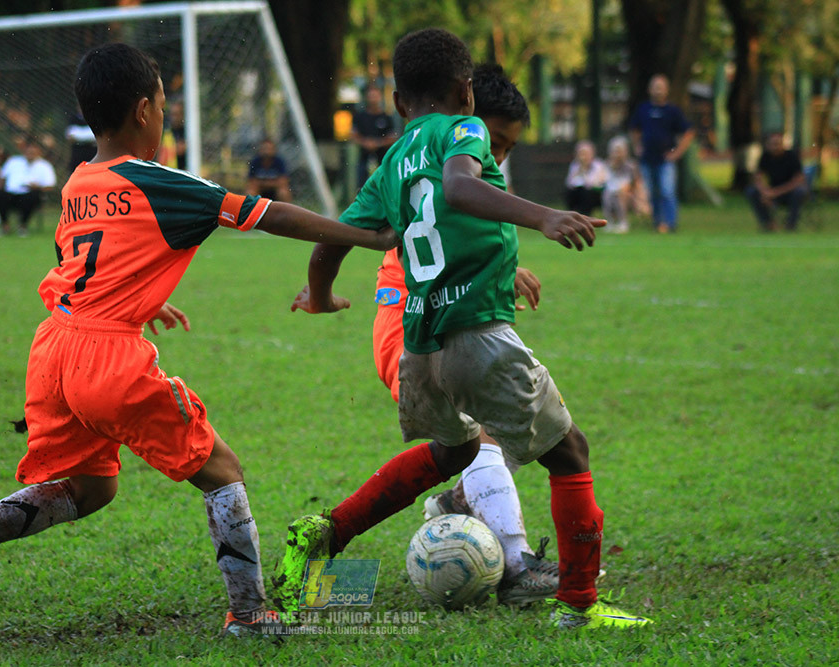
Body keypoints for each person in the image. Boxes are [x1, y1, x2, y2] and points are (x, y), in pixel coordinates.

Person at [0, 42, 396, 639]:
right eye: (163, 105)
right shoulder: (161, 183)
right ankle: (250, 616)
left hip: (55, 348)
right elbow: (268, 214)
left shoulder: (79, 180)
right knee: (222, 470)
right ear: (144, 110)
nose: (164, 117)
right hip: (107, 359)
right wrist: (364, 236)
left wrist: (139, 295)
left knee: (92, 487)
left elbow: (74, 258)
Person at [274, 29, 650, 630]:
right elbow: (458, 186)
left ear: (399, 102)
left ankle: (327, 532)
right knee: (569, 451)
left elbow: (338, 240)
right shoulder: (462, 129)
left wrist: (319, 297)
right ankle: (579, 603)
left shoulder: (391, 163)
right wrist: (544, 216)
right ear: (466, 92)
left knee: (459, 450)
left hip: (420, 343)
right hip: (476, 332)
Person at [293, 62, 562, 606]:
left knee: (488, 436)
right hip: (410, 320)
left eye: (506, 148)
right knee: (495, 432)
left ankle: (359, 525)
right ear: (466, 112)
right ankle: (515, 565)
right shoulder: (446, 152)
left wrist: (501, 270)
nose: (496, 157)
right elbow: (420, 236)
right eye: (495, 143)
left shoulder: (438, 159)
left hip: (431, 315)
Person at [629, 74, 695, 233]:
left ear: (666, 90)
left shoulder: (673, 111)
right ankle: (658, 222)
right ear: (649, 89)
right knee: (652, 192)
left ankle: (670, 223)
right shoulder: (643, 109)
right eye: (655, 87)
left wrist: (676, 152)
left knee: (667, 191)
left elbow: (688, 132)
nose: (658, 91)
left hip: (665, 160)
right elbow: (634, 129)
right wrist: (637, 146)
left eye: (661, 87)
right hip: (647, 159)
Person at [0, 136, 57, 237]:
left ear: (39, 152)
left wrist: (37, 187)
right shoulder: (13, 161)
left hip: (29, 195)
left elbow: (50, 186)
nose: (30, 154)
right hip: (11, 194)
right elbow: (1, 178)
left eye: (33, 152)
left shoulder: (45, 166)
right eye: (28, 151)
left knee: (33, 196)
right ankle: (5, 226)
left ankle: (23, 226)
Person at [745, 131, 807, 232]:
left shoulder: (792, 157)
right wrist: (765, 192)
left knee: (799, 192)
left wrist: (775, 192)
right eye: (772, 144)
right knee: (751, 191)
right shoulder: (765, 157)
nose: (775, 147)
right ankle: (768, 223)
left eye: (777, 144)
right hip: (772, 191)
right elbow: (758, 178)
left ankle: (791, 224)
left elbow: (798, 181)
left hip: (789, 192)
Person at [351, 85, 399, 187]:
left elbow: (392, 137)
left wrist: (378, 143)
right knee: (362, 184)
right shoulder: (360, 117)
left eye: (375, 96)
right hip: (364, 157)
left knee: (384, 183)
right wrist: (365, 143)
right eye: (371, 96)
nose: (373, 99)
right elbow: (353, 135)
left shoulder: (386, 117)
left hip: (381, 158)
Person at [601, 135, 650, 234]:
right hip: (611, 193)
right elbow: (603, 181)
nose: (617, 154)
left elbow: (636, 184)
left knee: (621, 194)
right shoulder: (607, 165)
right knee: (607, 195)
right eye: (615, 151)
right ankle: (610, 222)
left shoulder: (631, 166)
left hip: (631, 195)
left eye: (619, 151)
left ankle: (623, 223)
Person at [564, 140, 608, 216]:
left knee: (586, 193)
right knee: (570, 193)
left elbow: (594, 183)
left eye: (585, 154)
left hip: (595, 194)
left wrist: (584, 170)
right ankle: (572, 215)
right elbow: (569, 183)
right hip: (579, 192)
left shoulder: (598, 165)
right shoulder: (575, 165)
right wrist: (579, 171)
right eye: (580, 154)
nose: (583, 157)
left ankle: (585, 215)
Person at [246, 138, 292, 202]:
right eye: (264, 149)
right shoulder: (255, 162)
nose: (267, 152)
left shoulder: (279, 162)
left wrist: (263, 183)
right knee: (251, 192)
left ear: (274, 150)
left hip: (274, 190)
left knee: (283, 192)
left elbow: (283, 181)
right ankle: (252, 207)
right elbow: (251, 182)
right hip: (260, 190)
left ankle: (285, 207)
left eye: (269, 149)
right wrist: (271, 183)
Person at [64, 111, 96, 175]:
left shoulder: (95, 119)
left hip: (92, 159)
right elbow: (70, 136)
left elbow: (97, 136)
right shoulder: (73, 118)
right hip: (77, 160)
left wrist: (79, 136)